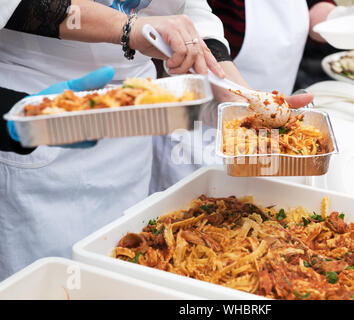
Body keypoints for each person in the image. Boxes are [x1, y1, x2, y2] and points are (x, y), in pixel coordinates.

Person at [0, 0, 255, 280]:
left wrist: (233, 88)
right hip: (37, 104)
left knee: (120, 267)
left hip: (134, 114)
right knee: (47, 281)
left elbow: (185, 8)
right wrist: (129, 28)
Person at [150, 0, 354, 193]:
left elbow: (310, 8)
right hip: (202, 130)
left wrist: (339, 17)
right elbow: (193, 29)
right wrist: (240, 102)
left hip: (272, 132)